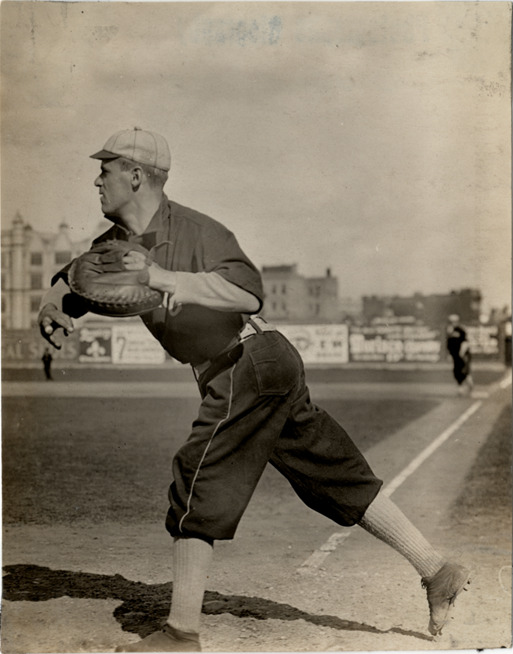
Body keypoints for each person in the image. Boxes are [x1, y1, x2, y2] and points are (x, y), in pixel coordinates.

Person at [38, 128, 471, 652]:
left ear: (135, 176)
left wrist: (165, 278)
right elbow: (77, 280)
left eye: (105, 170)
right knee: (332, 474)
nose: (96, 180)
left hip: (248, 358)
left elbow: (248, 293)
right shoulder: (112, 244)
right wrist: (53, 307)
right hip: (256, 367)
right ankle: (436, 569)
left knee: (199, 472)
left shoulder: (197, 230)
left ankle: (180, 634)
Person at [446, 315, 474, 396]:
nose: (452, 323)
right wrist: (449, 354)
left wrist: (462, 352)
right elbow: (449, 344)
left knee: (464, 369)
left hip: (463, 354)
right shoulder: (449, 331)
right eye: (451, 321)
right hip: (455, 355)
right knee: (456, 370)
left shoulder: (461, 330)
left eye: (454, 321)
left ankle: (469, 383)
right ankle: (460, 387)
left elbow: (465, 342)